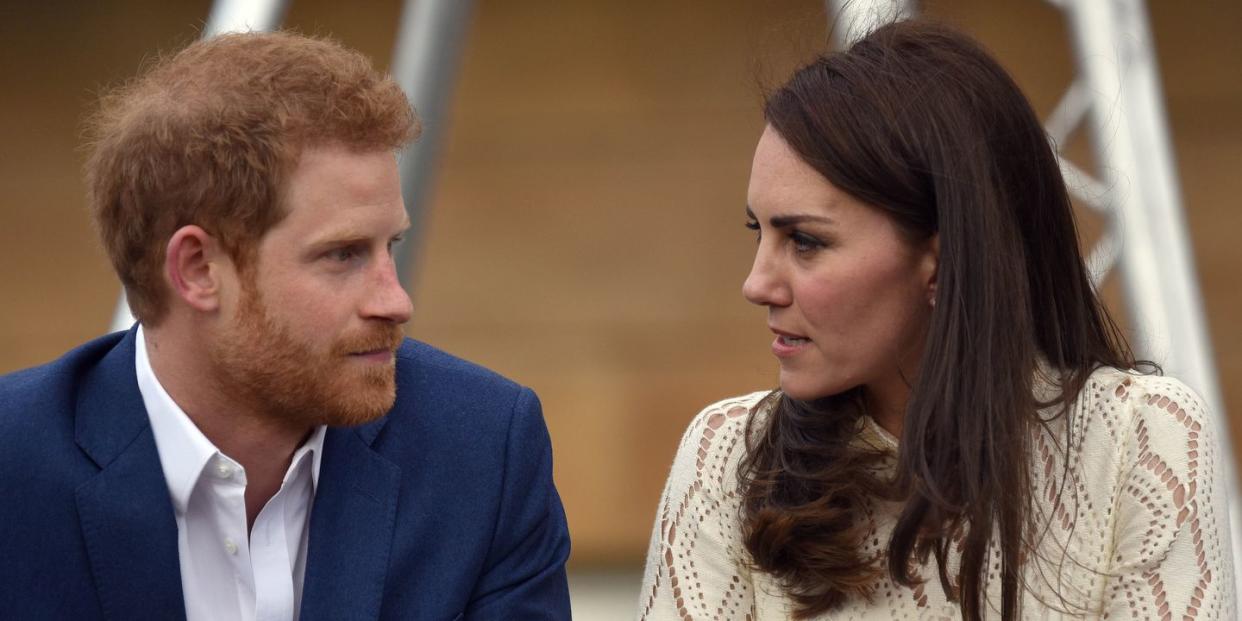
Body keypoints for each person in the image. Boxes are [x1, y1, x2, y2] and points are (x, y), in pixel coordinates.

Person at [639, 20, 1235, 620]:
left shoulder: (1138, 439)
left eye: (806, 242)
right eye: (758, 231)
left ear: (942, 260)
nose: (755, 284)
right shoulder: (730, 458)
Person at [0, 31, 570, 620]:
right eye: (343, 254)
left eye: (390, 245)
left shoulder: (480, 449)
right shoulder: (13, 466)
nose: (396, 301)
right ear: (197, 270)